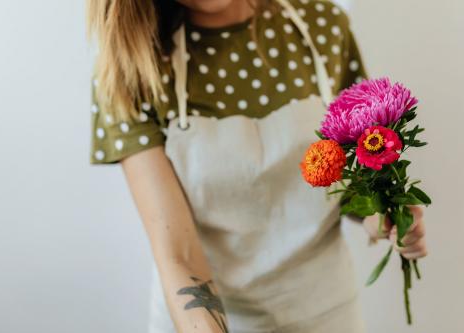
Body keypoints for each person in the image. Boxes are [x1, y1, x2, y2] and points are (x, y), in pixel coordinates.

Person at [87, 0, 428, 332]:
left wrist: (381, 217)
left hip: (325, 313)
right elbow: (180, 253)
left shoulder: (322, 25)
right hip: (204, 319)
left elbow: (350, 181)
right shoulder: (132, 68)